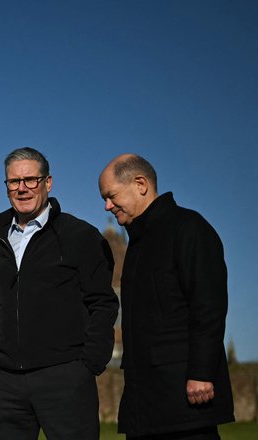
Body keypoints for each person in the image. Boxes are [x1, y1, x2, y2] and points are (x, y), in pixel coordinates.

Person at [0, 147, 119, 440]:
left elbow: (103, 303)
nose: (22, 188)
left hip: (64, 377)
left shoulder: (80, 236)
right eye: (14, 182)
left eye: (31, 180)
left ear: (48, 182)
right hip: (3, 381)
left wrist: (88, 364)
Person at [98, 154, 234, 439]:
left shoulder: (188, 228)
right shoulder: (136, 244)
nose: (107, 206)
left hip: (185, 402)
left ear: (140, 184)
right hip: (144, 404)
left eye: (111, 196)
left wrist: (201, 372)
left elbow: (208, 305)